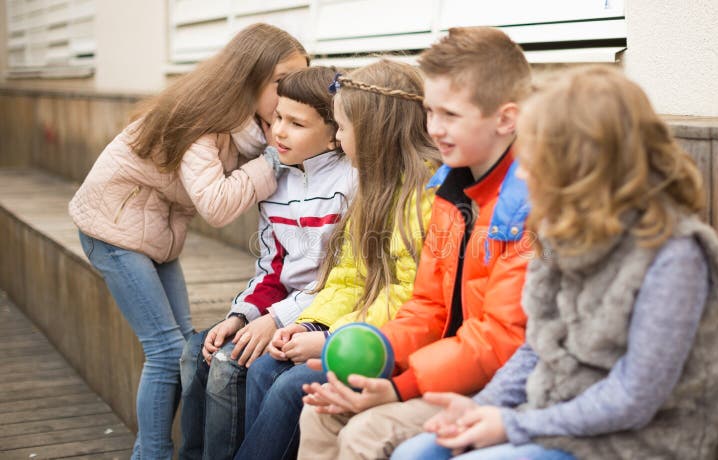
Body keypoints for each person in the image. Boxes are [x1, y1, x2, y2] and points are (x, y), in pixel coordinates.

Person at [393, 66, 718, 460]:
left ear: (585, 163)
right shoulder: (559, 231)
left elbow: (635, 396)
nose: (521, 171)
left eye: (537, 156)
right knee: (416, 453)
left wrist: (512, 425)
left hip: (639, 439)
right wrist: (482, 408)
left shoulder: (675, 254)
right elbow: (535, 347)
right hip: (551, 413)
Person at [68, 23, 307, 459]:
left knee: (183, 351)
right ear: (249, 77)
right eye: (281, 82)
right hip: (112, 229)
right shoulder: (205, 120)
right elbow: (216, 205)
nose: (289, 92)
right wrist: (272, 160)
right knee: (164, 351)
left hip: (155, 231)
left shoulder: (249, 125)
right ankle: (151, 454)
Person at [297, 27, 534, 459]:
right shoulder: (451, 190)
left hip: (498, 385)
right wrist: (374, 352)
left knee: (365, 434)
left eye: (451, 116)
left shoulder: (525, 208)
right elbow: (427, 306)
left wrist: (398, 386)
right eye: (430, 112)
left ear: (505, 119)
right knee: (319, 412)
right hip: (442, 365)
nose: (435, 129)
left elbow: (501, 340)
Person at [234, 59, 440, 460]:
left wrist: (331, 340)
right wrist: (312, 322)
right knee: (262, 368)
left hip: (390, 342)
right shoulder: (373, 187)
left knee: (294, 387)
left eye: (343, 128)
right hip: (357, 329)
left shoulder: (422, 198)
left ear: (375, 132)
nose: (339, 140)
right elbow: (346, 277)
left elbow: (409, 295)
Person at [178, 66, 355, 460]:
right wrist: (241, 316)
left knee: (229, 365)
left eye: (296, 123)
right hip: (280, 309)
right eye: (277, 118)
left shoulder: (351, 183)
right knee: (197, 351)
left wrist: (274, 319)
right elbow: (272, 268)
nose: (279, 132)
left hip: (320, 311)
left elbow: (340, 280)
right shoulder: (275, 183)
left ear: (333, 134)